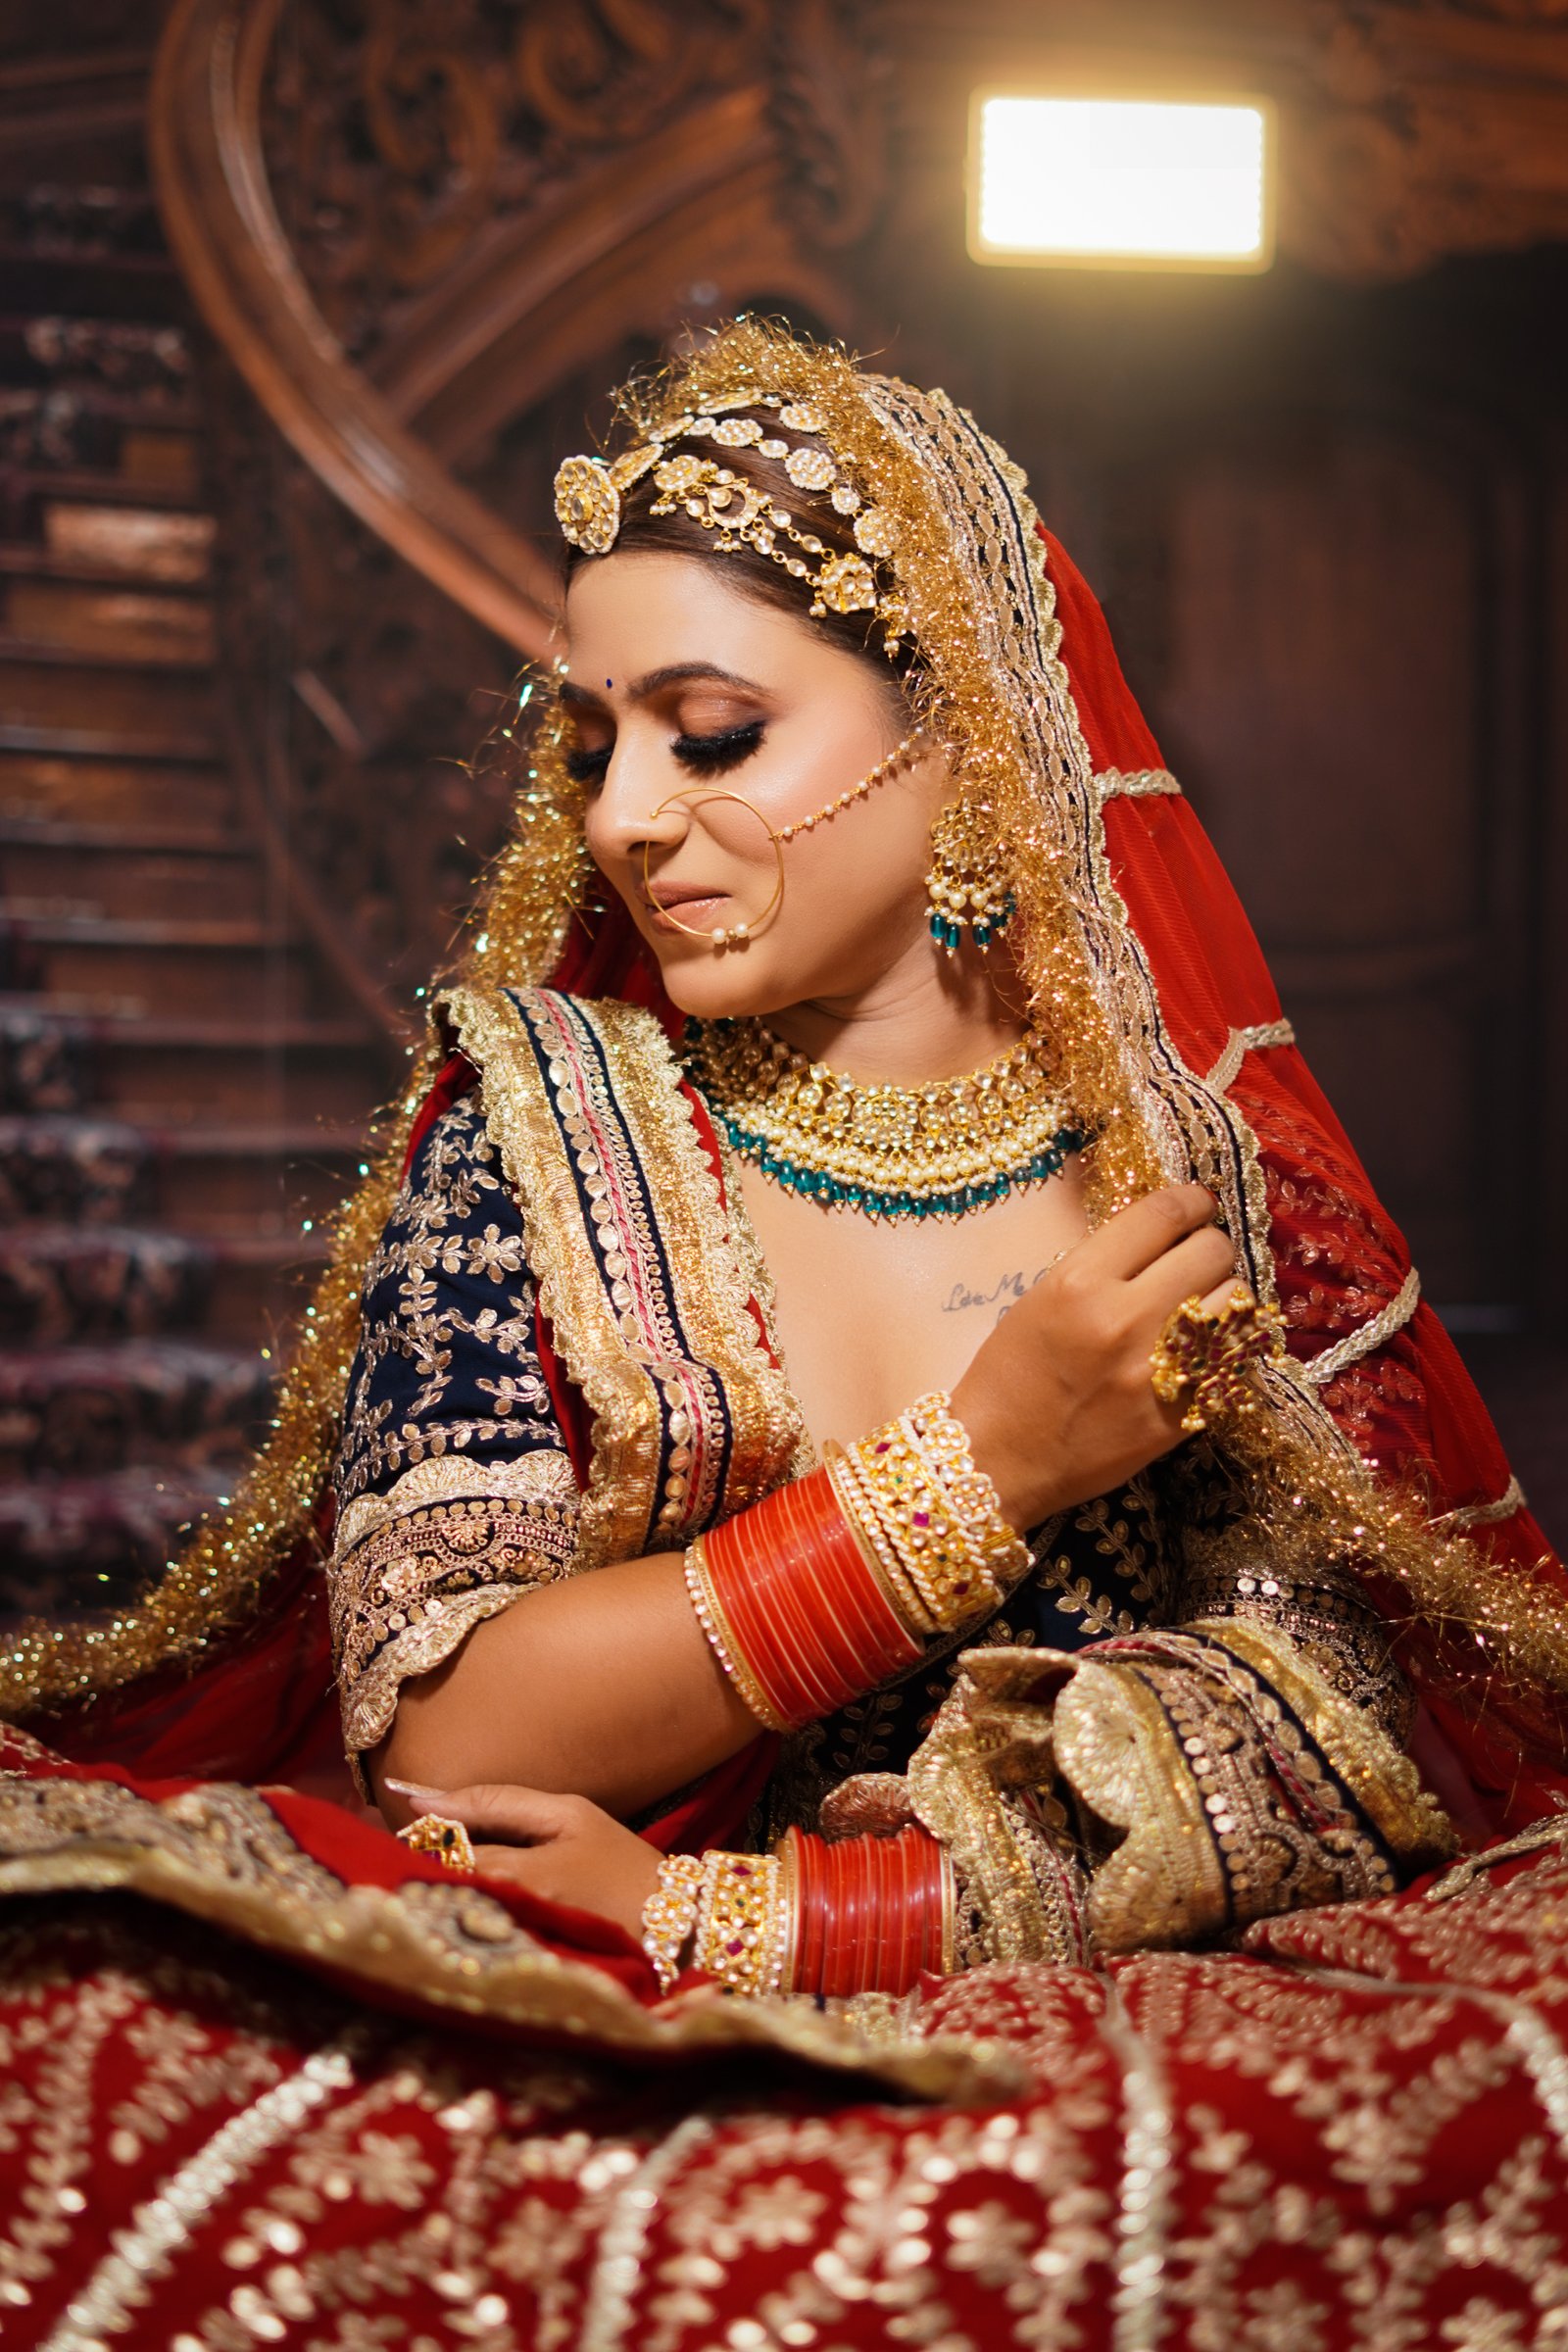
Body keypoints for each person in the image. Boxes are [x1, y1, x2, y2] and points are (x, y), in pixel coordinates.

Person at [2, 319, 1566, 2346]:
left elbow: (1327, 1746)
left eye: (714, 734)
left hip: (1012, 1988)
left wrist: (760, 1916)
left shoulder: (1178, 1164)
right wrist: (981, 1469)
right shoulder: (551, 1121)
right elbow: (453, 1735)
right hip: (585, 1988)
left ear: (965, 738)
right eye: (594, 746)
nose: (626, 817)